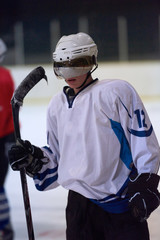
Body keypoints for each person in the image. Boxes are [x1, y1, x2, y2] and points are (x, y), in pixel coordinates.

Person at [8, 32, 160, 240]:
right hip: (78, 208)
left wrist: (146, 182)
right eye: (62, 65)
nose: (68, 72)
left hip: (121, 204)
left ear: (91, 62)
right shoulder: (56, 105)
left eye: (75, 64)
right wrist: (33, 158)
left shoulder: (116, 93)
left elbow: (142, 139)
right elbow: (58, 160)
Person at [0, 38, 15, 240]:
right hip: (7, 137)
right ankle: (5, 227)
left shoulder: (3, 78)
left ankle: (5, 227)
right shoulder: (6, 75)